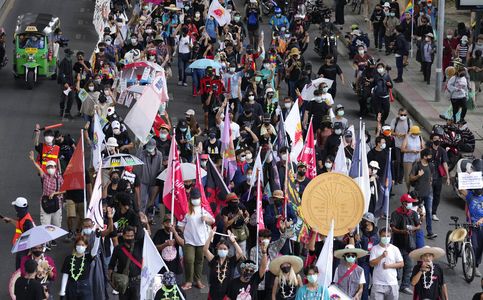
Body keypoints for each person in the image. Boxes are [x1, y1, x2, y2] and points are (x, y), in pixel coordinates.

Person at [179, 188, 215, 290]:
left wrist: (206, 219)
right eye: (193, 198)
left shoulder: (204, 209)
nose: (195, 200)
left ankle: (198, 280)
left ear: (200, 198)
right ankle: (189, 281)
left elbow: (212, 220)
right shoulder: (186, 210)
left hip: (202, 240)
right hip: (189, 240)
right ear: (190, 199)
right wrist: (185, 232)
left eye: (197, 198)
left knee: (199, 261)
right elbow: (181, 224)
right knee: (189, 260)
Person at [390, 193, 421, 295]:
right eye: (408, 202)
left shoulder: (413, 214)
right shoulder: (395, 214)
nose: (410, 204)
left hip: (409, 245)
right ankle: (393, 285)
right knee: (397, 268)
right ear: (403, 203)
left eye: (411, 203)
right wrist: (401, 231)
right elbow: (392, 228)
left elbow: (418, 226)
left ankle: (404, 286)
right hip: (397, 245)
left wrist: (413, 229)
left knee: (409, 266)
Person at [28, 151, 64, 235]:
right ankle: (46, 242)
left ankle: (53, 238)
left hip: (56, 203)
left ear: (55, 167)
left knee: (57, 224)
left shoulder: (59, 178)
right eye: (49, 167)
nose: (50, 168)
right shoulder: (44, 176)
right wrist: (33, 160)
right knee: (45, 224)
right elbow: (39, 168)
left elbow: (65, 190)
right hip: (45, 202)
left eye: (52, 166)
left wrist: (54, 193)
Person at [204, 229, 243, 299]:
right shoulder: (214, 259)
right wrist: (210, 237)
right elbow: (205, 250)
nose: (222, 250)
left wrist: (233, 241)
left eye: (225, 249)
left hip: (226, 295)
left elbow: (240, 253)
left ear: (228, 250)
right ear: (217, 249)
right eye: (220, 248)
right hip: (213, 294)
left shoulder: (231, 261)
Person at [59, 234, 100, 299]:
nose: (80, 246)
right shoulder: (68, 258)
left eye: (82, 245)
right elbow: (65, 274)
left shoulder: (88, 257)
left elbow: (94, 251)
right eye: (78, 244)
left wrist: (98, 237)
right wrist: (62, 291)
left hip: (85, 287)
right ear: (75, 246)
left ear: (86, 246)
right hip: (71, 287)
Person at [108, 226, 143, 300]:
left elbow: (146, 236)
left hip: (136, 282)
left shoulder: (139, 246)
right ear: (123, 236)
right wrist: (111, 279)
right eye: (128, 236)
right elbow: (111, 264)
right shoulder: (118, 248)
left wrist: (145, 224)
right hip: (122, 282)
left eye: (132, 236)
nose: (130, 238)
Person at [369, 228, 404, 300]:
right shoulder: (374, 248)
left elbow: (401, 264)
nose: (386, 238)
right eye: (384, 236)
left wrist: (389, 266)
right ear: (380, 236)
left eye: (388, 236)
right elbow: (371, 264)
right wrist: (381, 256)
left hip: (392, 283)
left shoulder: (395, 249)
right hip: (378, 283)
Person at [409, 148, 437, 239]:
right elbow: (411, 178)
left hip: (428, 193)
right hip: (418, 193)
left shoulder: (431, 165)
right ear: (424, 156)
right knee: (415, 212)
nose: (430, 157)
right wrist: (418, 176)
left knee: (428, 212)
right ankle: (413, 230)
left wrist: (430, 182)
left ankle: (430, 232)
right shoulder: (417, 165)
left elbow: (431, 176)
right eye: (429, 156)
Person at [3, 197, 35, 269]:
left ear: (17, 208)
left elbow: (31, 236)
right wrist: (10, 220)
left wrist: (30, 250)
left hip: (24, 248)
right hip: (21, 246)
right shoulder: (24, 215)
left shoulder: (28, 222)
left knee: (21, 268)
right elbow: (20, 225)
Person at [460, 187, 483, 277]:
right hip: (472, 225)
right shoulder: (470, 196)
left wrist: (481, 220)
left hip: (482, 225)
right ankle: (470, 266)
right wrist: (466, 177)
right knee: (474, 246)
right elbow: (461, 190)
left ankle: (475, 266)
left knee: (480, 248)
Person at [429, 133, 450, 221]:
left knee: (437, 195)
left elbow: (445, 163)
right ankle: (422, 210)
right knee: (426, 195)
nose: (437, 140)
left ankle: (434, 213)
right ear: (432, 140)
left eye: (438, 138)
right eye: (435, 138)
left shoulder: (442, 151)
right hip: (428, 177)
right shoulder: (428, 150)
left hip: (438, 177)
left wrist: (448, 177)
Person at [390, 108, 413, 184]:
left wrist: (406, 135)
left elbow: (411, 132)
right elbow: (391, 132)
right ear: (398, 114)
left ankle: (400, 178)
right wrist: (397, 134)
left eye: (404, 115)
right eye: (401, 115)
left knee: (403, 162)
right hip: (397, 144)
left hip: (406, 145)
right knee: (398, 161)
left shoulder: (409, 121)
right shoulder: (395, 121)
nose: (403, 116)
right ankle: (395, 178)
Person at [401, 126, 424, 192]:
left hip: (417, 159)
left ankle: (416, 191)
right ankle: (408, 191)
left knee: (417, 174)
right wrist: (411, 151)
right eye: (415, 133)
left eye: (417, 133)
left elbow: (423, 147)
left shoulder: (419, 137)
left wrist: (420, 150)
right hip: (408, 159)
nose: (416, 135)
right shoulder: (407, 137)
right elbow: (402, 149)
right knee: (408, 177)